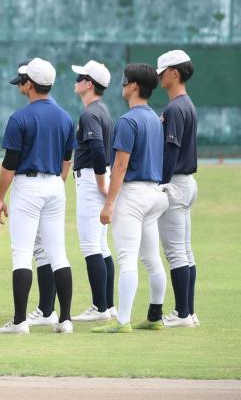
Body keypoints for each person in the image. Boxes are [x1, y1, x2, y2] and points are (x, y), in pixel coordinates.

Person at [0, 58, 75, 334]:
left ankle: (19, 322)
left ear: (30, 84)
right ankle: (65, 320)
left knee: (22, 253)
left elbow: (10, 163)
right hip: (55, 185)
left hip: (28, 187)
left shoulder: (20, 118)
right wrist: (56, 185)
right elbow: (67, 160)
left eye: (22, 81)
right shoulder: (65, 117)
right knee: (58, 254)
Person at [92, 64, 170, 334]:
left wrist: (109, 203)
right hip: (154, 193)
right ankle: (155, 315)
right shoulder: (153, 118)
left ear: (134, 86)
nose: (122, 85)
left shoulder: (128, 121)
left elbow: (120, 167)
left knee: (127, 259)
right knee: (151, 258)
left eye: (125, 81)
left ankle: (122, 321)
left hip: (134, 195)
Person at [69, 60, 117, 322]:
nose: (76, 81)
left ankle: (100, 307)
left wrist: (100, 184)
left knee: (91, 246)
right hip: (96, 176)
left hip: (91, 178)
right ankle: (107, 306)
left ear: (89, 84)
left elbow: (98, 149)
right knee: (101, 246)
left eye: (80, 78)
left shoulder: (90, 113)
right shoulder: (101, 109)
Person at [156, 50, 199, 328]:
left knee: (175, 253)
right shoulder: (187, 104)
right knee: (185, 251)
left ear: (174, 73)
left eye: (162, 71)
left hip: (176, 183)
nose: (159, 76)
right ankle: (189, 312)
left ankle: (182, 313)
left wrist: (161, 183)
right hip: (187, 183)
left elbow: (170, 150)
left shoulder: (174, 108)